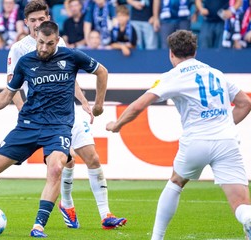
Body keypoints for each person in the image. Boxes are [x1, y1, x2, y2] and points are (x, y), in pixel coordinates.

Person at [0, 21, 108, 238]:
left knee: (56, 168)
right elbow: (9, 93)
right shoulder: (26, 61)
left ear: (57, 41)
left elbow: (102, 72)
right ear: (35, 37)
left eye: (49, 44)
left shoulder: (72, 56)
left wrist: (99, 104)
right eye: (40, 43)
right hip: (28, 125)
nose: (44, 48)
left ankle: (38, 225)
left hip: (58, 126)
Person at [106, 29, 251, 239]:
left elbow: (138, 106)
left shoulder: (173, 76)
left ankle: (157, 237)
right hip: (227, 141)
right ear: (195, 51)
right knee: (240, 203)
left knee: (176, 182)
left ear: (171, 54)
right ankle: (248, 219)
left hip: (196, 142)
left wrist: (117, 125)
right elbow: (245, 103)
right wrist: (224, 123)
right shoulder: (216, 73)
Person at [7, 0, 126, 230]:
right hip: (42, 119)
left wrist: (84, 102)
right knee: (65, 161)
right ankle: (67, 203)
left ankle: (106, 215)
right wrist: (26, 116)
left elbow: (69, 77)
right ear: (26, 22)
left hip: (67, 112)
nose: (37, 24)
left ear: (48, 19)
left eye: (41, 19)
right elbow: (11, 89)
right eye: (33, 20)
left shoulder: (57, 41)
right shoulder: (18, 49)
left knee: (92, 158)